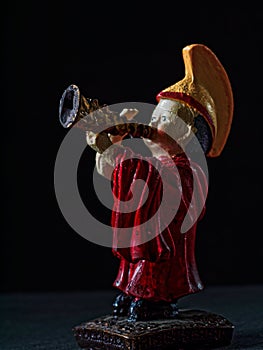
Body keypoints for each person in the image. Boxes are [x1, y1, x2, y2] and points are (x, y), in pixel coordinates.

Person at [86, 44, 234, 321]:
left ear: (188, 131)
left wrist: (120, 156)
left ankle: (156, 300)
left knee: (156, 268)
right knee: (135, 266)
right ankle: (133, 292)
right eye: (154, 116)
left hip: (168, 242)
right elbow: (124, 174)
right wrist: (109, 146)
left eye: (163, 119)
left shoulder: (188, 169)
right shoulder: (155, 163)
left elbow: (159, 187)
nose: (153, 124)